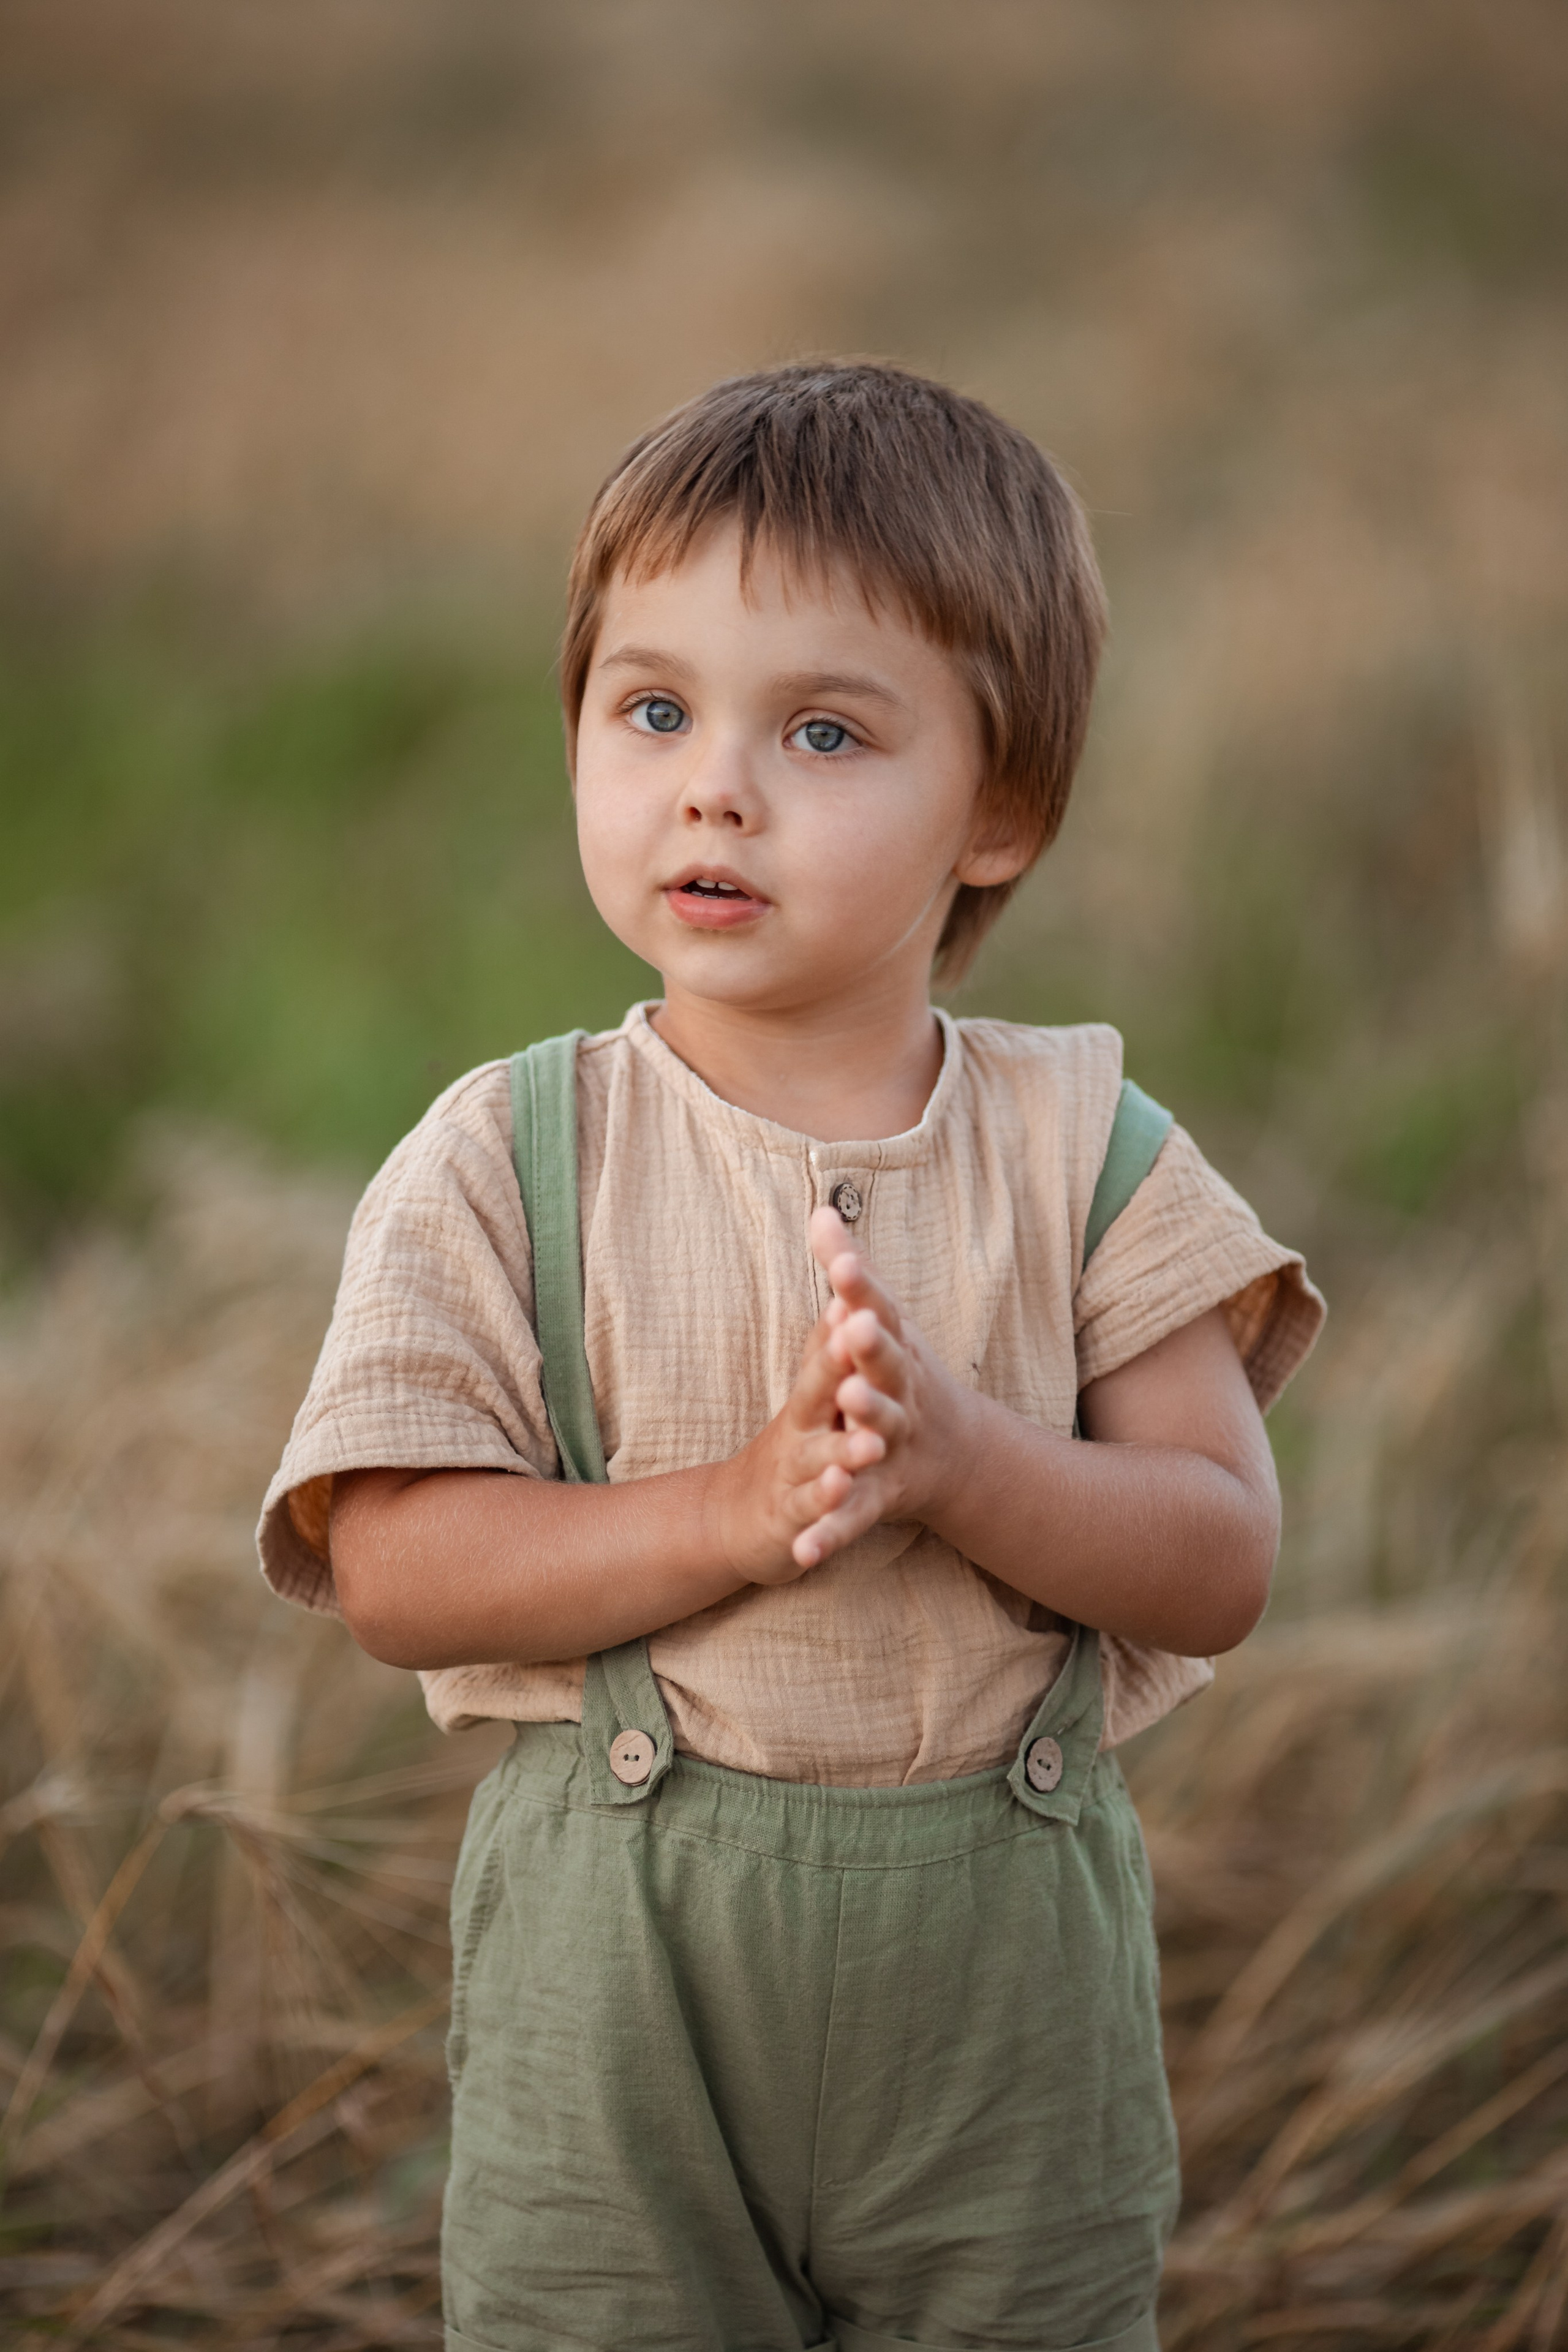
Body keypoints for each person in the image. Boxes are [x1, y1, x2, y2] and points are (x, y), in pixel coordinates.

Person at [259, 361, 1324, 2352]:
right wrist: (735, 1514)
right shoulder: (508, 1154)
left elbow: (1220, 1556)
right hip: (625, 2012)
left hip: (1002, 2035)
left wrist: (968, 1465)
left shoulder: (1088, 1147)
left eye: (823, 729)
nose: (714, 784)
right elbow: (393, 1569)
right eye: (652, 708)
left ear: (999, 812)